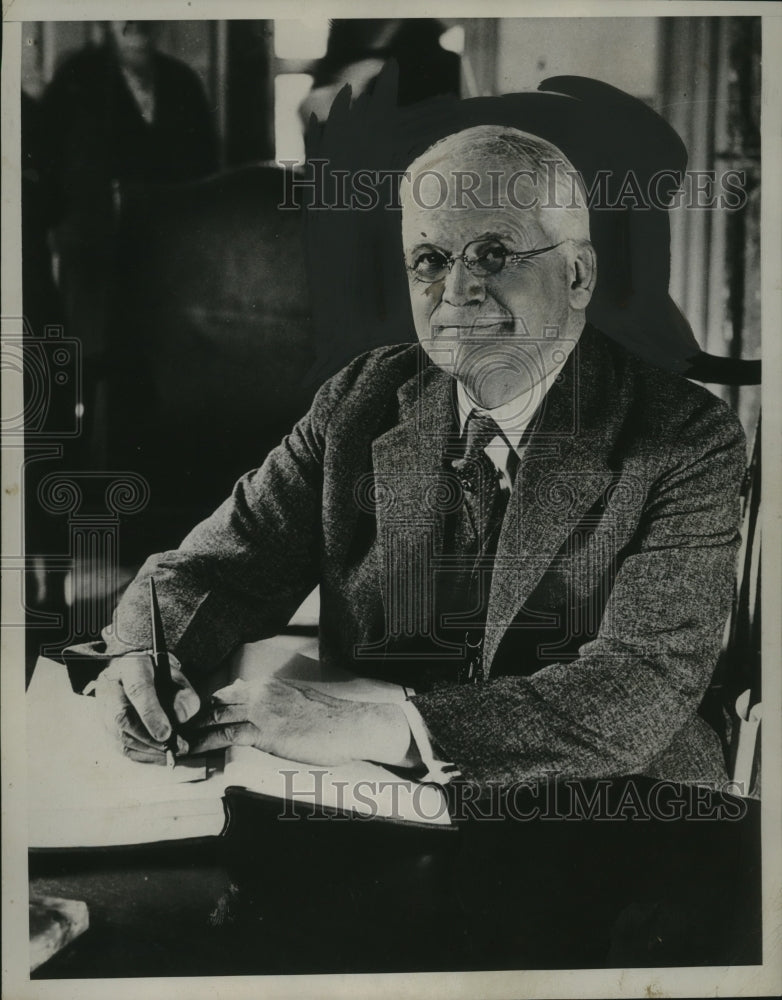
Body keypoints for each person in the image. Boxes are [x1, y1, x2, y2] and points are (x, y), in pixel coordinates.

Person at [88, 124, 745, 790]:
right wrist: (146, 657)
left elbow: (634, 693)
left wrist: (382, 727)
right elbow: (215, 570)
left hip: (603, 813)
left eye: (493, 252)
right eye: (429, 259)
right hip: (373, 812)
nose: (456, 289)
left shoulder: (686, 437)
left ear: (577, 273)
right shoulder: (360, 401)